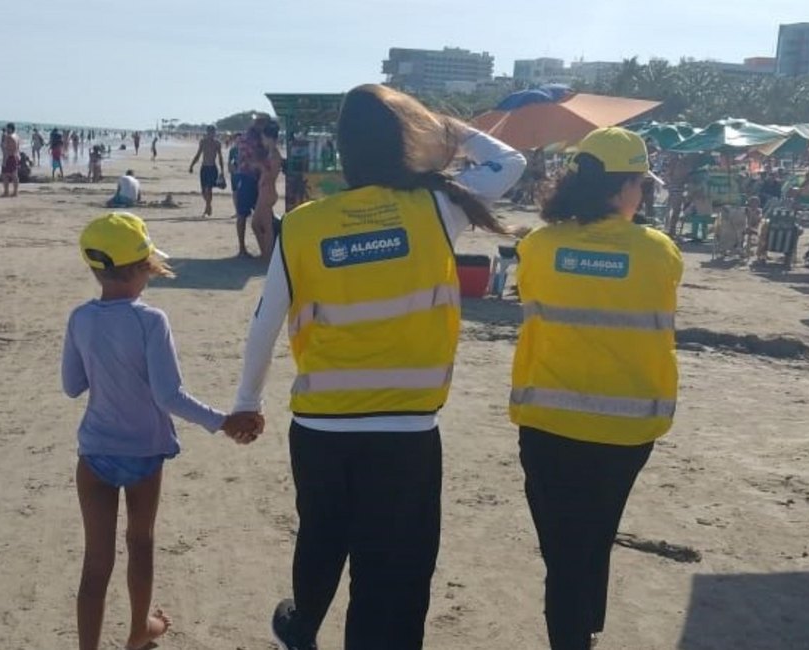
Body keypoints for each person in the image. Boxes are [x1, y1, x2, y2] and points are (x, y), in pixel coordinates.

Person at [232, 84, 525, 650]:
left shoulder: (304, 225)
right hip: (407, 430)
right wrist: (443, 125)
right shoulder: (437, 207)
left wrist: (248, 403)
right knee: (393, 572)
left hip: (321, 427)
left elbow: (265, 325)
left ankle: (302, 627)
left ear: (342, 153)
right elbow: (507, 162)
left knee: (321, 536)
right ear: (405, 142)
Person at [511, 127, 682, 650]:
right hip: (626, 432)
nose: (643, 195)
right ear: (623, 187)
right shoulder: (659, 253)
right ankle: (580, 629)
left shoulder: (537, 247)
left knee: (564, 549)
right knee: (593, 535)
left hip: (548, 426)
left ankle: (574, 633)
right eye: (641, 185)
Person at [63, 213, 260, 650]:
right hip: (144, 453)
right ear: (140, 268)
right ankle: (138, 632)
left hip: (94, 453)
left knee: (95, 563)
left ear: (95, 268)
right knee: (140, 542)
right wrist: (222, 421)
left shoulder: (80, 318)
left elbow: (72, 385)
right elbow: (169, 396)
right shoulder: (151, 321)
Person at [232, 117, 267, 256]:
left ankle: (250, 247)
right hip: (249, 177)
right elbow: (252, 159)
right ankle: (243, 248)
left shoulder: (252, 137)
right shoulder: (250, 139)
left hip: (251, 177)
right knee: (244, 214)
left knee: (252, 214)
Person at [251, 121, 282, 260]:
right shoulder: (270, 153)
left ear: (270, 138)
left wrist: (259, 166)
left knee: (265, 226)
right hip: (264, 192)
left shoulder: (275, 154)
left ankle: (268, 255)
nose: (262, 141)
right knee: (257, 224)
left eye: (264, 138)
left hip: (268, 192)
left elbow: (271, 175)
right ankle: (266, 253)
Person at [188, 125, 224, 218]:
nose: (212, 134)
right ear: (207, 132)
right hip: (204, 168)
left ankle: (207, 208)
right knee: (203, 191)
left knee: (209, 189)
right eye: (210, 132)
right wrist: (192, 165)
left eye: (213, 132)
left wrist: (222, 170)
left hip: (212, 168)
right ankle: (209, 205)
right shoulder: (203, 142)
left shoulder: (217, 143)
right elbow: (198, 154)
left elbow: (220, 157)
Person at [0, 123, 20, 198]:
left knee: (5, 175)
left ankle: (6, 192)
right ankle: (15, 192)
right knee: (14, 175)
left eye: (7, 128)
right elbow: (16, 148)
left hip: (9, 157)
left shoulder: (9, 137)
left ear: (10, 129)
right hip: (15, 156)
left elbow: (5, 148)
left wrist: (5, 160)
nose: (6, 130)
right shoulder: (16, 136)